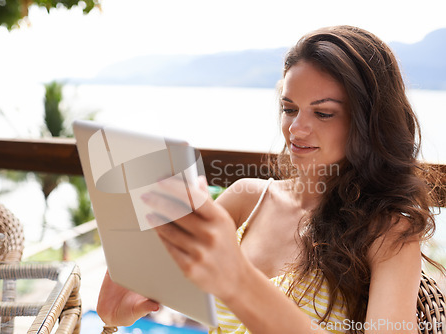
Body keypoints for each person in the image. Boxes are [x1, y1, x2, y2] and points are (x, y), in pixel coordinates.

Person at [96, 25, 442, 334]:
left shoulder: (388, 231)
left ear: (369, 123)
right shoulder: (247, 199)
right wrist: (117, 313)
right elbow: (159, 293)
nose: (296, 128)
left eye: (322, 113)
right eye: (289, 108)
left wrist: (238, 281)